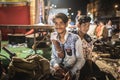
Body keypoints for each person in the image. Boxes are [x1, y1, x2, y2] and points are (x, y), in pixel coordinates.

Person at [50, 13, 85, 80]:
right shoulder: (54, 38)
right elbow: (53, 58)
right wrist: (56, 66)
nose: (58, 26)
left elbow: (81, 60)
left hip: (72, 74)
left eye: (61, 23)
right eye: (56, 23)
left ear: (66, 24)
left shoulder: (75, 38)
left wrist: (71, 72)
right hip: (58, 74)